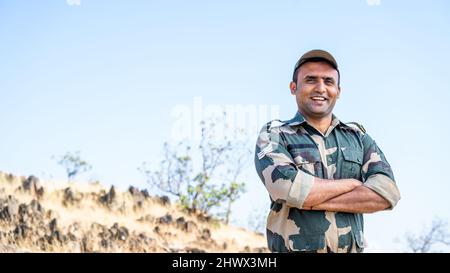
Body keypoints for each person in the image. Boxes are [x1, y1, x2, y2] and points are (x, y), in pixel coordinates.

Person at [254, 49, 401, 253]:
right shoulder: (275, 134)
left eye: (328, 81)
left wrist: (310, 199)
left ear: (338, 91)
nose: (321, 88)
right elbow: (286, 188)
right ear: (293, 87)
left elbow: (387, 193)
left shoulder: (358, 138)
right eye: (311, 80)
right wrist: (352, 184)